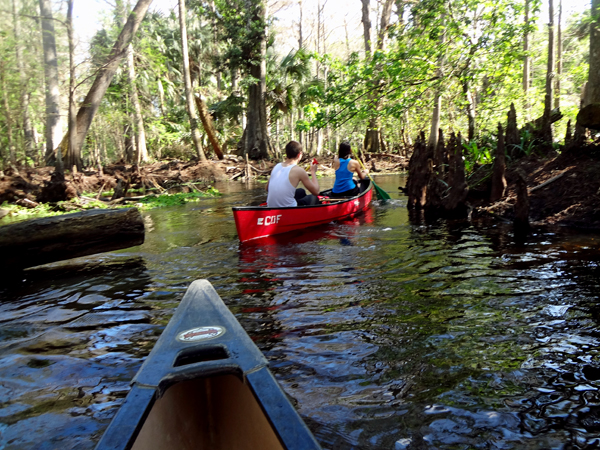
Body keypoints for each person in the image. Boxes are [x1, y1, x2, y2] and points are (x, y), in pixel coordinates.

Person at [266, 141, 320, 207]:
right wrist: (313, 172)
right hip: (288, 209)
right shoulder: (299, 170)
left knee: (301, 191)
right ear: (299, 154)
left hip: (271, 206)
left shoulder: (277, 166)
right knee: (314, 197)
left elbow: (267, 188)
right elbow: (316, 192)